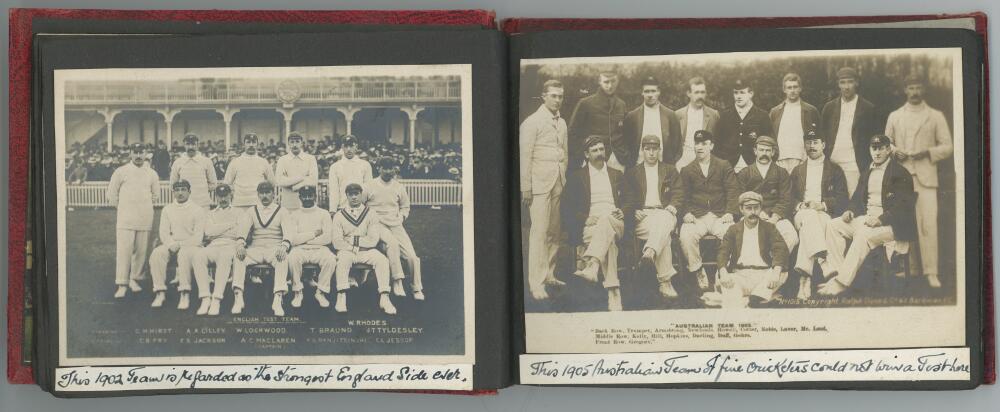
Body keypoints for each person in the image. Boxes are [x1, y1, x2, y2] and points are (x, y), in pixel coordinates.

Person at [818, 135, 918, 296]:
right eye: (874, 148)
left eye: (881, 148)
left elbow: (903, 206)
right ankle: (837, 274)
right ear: (870, 150)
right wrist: (850, 210)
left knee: (863, 235)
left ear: (888, 149)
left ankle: (842, 284)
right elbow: (857, 197)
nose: (877, 152)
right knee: (833, 225)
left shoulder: (900, 172)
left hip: (892, 225)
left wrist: (881, 219)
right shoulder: (868, 170)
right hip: (868, 219)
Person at [884, 74, 953, 288]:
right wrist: (896, 153)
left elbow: (948, 146)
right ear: (906, 90)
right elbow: (887, 142)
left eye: (918, 87)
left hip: (926, 178)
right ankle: (909, 269)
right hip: (902, 178)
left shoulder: (935, 116)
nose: (914, 92)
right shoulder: (895, 116)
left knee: (928, 224)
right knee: (905, 222)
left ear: (923, 89)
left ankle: (931, 272)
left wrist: (928, 152)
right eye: (910, 87)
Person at [563, 136, 626, 311]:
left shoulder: (616, 174)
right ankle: (614, 291)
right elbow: (567, 207)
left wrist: (624, 211)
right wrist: (584, 218)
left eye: (601, 149)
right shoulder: (577, 177)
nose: (599, 153)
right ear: (586, 154)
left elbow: (630, 199)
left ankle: (592, 265)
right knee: (609, 242)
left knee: (607, 220)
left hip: (615, 222)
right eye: (594, 150)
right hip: (591, 226)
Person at [520, 79, 569, 300]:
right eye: (553, 96)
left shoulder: (562, 123)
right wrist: (526, 188)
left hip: (557, 182)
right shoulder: (532, 122)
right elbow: (524, 158)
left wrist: (562, 175)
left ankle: (549, 273)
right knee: (539, 233)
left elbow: (563, 152)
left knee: (554, 231)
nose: (557, 100)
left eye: (560, 96)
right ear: (544, 96)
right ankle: (536, 283)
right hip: (538, 186)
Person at [788, 130, 850, 299]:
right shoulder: (797, 170)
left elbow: (843, 198)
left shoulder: (835, 170)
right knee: (809, 216)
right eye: (808, 142)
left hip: (823, 213)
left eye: (815, 142)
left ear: (823, 145)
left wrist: (822, 205)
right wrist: (800, 205)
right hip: (801, 213)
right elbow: (789, 197)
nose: (812, 146)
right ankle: (824, 262)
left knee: (814, 219)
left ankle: (804, 278)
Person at [622, 135, 685, 297]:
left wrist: (673, 205)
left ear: (659, 150)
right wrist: (633, 211)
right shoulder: (632, 173)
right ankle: (665, 283)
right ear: (642, 150)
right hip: (644, 217)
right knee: (664, 236)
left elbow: (679, 192)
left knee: (663, 219)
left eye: (654, 149)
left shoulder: (669, 170)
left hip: (665, 212)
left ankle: (650, 252)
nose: (651, 153)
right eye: (647, 149)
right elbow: (626, 198)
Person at [678, 130, 740, 291]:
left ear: (711, 146)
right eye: (697, 143)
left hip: (719, 215)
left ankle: (724, 272)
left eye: (704, 143)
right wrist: (686, 213)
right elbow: (681, 196)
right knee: (686, 234)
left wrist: (730, 212)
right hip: (697, 216)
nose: (700, 147)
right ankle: (698, 270)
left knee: (732, 232)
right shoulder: (686, 170)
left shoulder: (723, 165)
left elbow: (733, 190)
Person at [711, 191, 789, 308]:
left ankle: (752, 298)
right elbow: (723, 252)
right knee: (724, 277)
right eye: (748, 208)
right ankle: (755, 298)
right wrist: (723, 272)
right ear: (741, 209)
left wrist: (775, 273)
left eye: (756, 208)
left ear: (760, 208)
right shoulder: (733, 229)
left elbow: (780, 249)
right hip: (740, 275)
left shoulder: (769, 228)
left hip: (764, 276)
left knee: (782, 273)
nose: (753, 212)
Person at [331, 183, 396, 315]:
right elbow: (337, 242)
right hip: (347, 251)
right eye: (351, 194)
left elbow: (373, 240)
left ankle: (385, 297)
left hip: (367, 251)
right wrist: (354, 245)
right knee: (342, 260)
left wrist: (351, 240)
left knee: (382, 260)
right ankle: (341, 296)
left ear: (361, 195)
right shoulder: (339, 215)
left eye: (357, 194)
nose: (354, 197)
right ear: (347, 196)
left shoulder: (371, 213)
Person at [365, 157, 424, 300]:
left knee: (412, 257)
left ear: (394, 169)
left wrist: (402, 217)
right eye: (384, 167)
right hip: (377, 224)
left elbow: (405, 206)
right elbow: (361, 206)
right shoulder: (369, 185)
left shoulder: (398, 186)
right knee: (392, 245)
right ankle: (397, 281)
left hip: (396, 224)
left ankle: (417, 288)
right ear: (378, 168)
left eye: (390, 168)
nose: (388, 171)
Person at [107, 143, 160, 299]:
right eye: (135, 152)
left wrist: (142, 207)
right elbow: (112, 194)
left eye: (141, 152)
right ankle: (122, 284)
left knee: (141, 251)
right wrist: (124, 210)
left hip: (145, 217)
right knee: (124, 251)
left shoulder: (152, 173)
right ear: (130, 154)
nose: (138, 156)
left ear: (145, 154)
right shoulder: (121, 171)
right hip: (126, 218)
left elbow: (155, 196)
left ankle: (134, 279)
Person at [233, 182, 293, 316]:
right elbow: (242, 231)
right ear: (258, 194)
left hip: (274, 248)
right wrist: (240, 245)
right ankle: (238, 297)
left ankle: (278, 298)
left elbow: (289, 233)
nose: (264, 196)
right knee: (238, 256)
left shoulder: (282, 211)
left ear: (274, 194)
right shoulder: (251, 211)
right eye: (262, 193)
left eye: (267, 192)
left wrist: (284, 246)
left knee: (282, 258)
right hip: (256, 248)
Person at [149, 180, 206, 310]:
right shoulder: (167, 209)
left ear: (189, 192)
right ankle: (160, 292)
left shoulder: (198, 210)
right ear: (173, 192)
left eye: (183, 190)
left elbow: (198, 237)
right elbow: (163, 232)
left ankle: (184, 293)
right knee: (157, 254)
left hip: (191, 246)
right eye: (177, 190)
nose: (180, 193)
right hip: (172, 244)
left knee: (184, 255)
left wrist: (180, 245)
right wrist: (170, 244)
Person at [821, 67, 879, 196]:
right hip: (833, 161)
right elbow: (823, 135)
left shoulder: (867, 108)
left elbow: (873, 138)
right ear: (838, 84)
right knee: (833, 201)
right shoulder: (829, 108)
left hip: (855, 163)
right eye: (843, 82)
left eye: (850, 82)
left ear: (856, 83)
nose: (846, 86)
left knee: (854, 201)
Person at [734, 136, 798, 251]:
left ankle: (776, 264)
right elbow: (740, 198)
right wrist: (757, 213)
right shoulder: (744, 173)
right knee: (744, 237)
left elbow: (786, 199)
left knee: (792, 236)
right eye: (761, 150)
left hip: (776, 217)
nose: (764, 153)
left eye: (768, 150)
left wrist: (775, 217)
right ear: (755, 151)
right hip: (751, 215)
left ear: (773, 152)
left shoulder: (781, 173)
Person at [192, 184, 245, 315]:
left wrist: (218, 228)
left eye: (226, 196)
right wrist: (231, 225)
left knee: (225, 257)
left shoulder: (239, 212)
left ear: (230, 195)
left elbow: (239, 232)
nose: (223, 199)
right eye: (220, 196)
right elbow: (209, 232)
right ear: (216, 197)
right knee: (198, 256)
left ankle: (216, 299)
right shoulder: (210, 213)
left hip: (231, 245)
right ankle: (205, 298)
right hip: (213, 245)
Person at [283, 186, 338, 308]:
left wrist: (304, 240)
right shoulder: (294, 215)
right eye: (304, 196)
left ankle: (321, 292)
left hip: (320, 249)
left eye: (310, 195)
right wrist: (313, 234)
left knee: (330, 259)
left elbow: (328, 238)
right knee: (292, 258)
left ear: (315, 196)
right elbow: (293, 239)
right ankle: (298, 292)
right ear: (300, 197)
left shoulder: (324, 214)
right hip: (300, 250)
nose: (307, 198)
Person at [567, 71, 627, 171]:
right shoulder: (585, 103)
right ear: (599, 82)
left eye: (613, 81)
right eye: (606, 82)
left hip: (617, 158)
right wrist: (584, 155)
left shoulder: (621, 104)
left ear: (617, 81)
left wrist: (624, 152)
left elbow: (625, 132)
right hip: (593, 158)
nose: (610, 85)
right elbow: (573, 133)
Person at [622, 76, 682, 167]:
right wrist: (630, 163)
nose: (650, 95)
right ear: (642, 93)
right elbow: (625, 143)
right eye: (647, 91)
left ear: (659, 92)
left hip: (664, 167)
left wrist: (670, 165)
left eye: (653, 91)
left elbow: (677, 144)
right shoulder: (632, 116)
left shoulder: (670, 115)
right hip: (638, 166)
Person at [716, 79, 773, 172]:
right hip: (729, 169)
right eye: (736, 93)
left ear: (751, 94)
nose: (738, 96)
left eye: (742, 92)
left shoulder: (762, 116)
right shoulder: (725, 116)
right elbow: (717, 145)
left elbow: (770, 143)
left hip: (754, 168)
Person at [769, 73, 821, 172]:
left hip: (803, 159)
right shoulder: (775, 112)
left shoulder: (811, 110)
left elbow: (819, 136)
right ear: (784, 90)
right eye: (789, 87)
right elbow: (770, 137)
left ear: (800, 88)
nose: (792, 91)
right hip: (780, 160)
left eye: (795, 87)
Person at [674, 76, 720, 169]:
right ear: (689, 93)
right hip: (683, 161)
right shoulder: (678, 115)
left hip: (705, 163)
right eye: (696, 92)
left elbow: (718, 142)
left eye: (702, 92)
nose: (700, 96)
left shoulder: (714, 115)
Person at [224, 133, 275, 210]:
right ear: (244, 144)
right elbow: (227, 183)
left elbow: (272, 183)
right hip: (239, 204)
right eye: (248, 142)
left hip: (258, 204)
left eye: (253, 142)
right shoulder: (235, 162)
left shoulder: (263, 162)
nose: (251, 145)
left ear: (257, 144)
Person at [274, 131, 319, 210]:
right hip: (288, 204)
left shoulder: (310, 159)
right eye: (292, 142)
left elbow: (313, 181)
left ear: (302, 143)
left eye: (297, 142)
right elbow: (280, 181)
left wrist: (294, 187)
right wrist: (303, 177)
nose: (294, 145)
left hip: (307, 203)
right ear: (288, 143)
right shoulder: (282, 160)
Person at [328, 135, 373, 212]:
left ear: (356, 147)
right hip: (342, 208)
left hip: (361, 209)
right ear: (342, 147)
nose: (349, 149)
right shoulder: (335, 167)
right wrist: (333, 210)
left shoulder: (365, 165)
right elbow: (333, 191)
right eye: (346, 146)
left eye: (351, 146)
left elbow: (368, 188)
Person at [169, 134, 216, 208]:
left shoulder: (207, 161)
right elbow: (172, 184)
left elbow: (213, 184)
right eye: (188, 144)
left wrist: (201, 191)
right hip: (184, 204)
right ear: (184, 145)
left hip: (202, 204)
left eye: (193, 144)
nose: (191, 147)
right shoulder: (177, 162)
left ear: (197, 145)